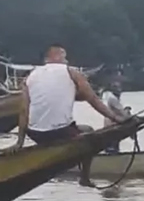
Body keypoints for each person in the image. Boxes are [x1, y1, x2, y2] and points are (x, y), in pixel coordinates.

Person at [5, 44, 128, 187]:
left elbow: (23, 110)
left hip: (35, 133)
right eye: (64, 57)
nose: (67, 61)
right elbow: (93, 100)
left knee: (72, 131)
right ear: (54, 56)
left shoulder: (30, 77)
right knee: (89, 132)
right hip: (60, 132)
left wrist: (19, 142)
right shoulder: (71, 72)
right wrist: (116, 119)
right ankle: (84, 178)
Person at [101, 81, 131, 154]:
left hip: (107, 124)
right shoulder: (113, 99)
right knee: (113, 144)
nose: (120, 90)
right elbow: (123, 113)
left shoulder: (107, 96)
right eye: (118, 88)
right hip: (113, 125)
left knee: (109, 144)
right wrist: (127, 110)